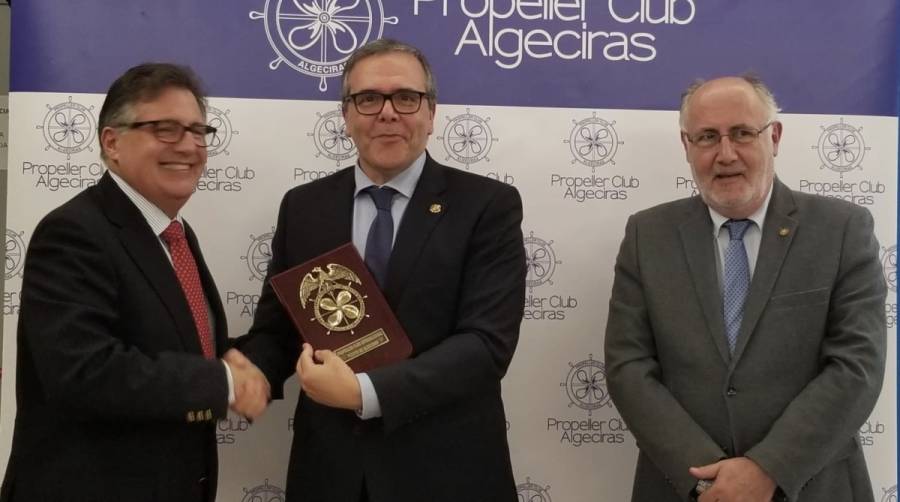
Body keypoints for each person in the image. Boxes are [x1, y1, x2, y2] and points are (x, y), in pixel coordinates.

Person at [237, 38, 526, 502]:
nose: (387, 112)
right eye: (368, 99)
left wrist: (362, 391)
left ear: (431, 114)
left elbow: (485, 345)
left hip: (449, 473)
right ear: (346, 116)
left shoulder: (486, 206)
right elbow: (279, 331)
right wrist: (232, 375)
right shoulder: (304, 208)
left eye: (406, 97)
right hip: (330, 473)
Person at [604, 75, 886, 502]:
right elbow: (628, 367)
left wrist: (767, 469)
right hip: (685, 487)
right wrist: (708, 479)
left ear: (773, 137)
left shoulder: (842, 229)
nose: (726, 154)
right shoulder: (648, 235)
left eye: (741, 133)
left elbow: (857, 366)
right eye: (707, 137)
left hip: (812, 486)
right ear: (686, 146)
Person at [1, 63, 269, 502]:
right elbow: (84, 371)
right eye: (165, 129)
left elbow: (178, 347)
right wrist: (222, 382)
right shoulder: (74, 232)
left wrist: (268, 356)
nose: (188, 146)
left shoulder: (174, 234)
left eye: (198, 131)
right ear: (112, 142)